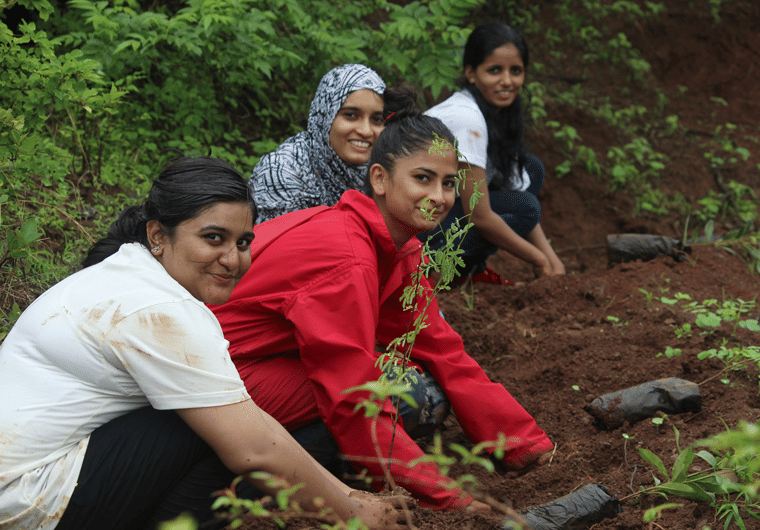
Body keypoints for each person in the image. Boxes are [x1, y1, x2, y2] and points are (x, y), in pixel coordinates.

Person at [0, 156, 409, 530]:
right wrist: (354, 513)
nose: (233, 259)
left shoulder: (127, 272)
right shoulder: (160, 309)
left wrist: (349, 494)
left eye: (243, 242)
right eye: (214, 238)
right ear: (158, 235)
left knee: (223, 412)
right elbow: (254, 451)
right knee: (220, 431)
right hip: (30, 502)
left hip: (27, 481)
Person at [212, 94, 555, 511]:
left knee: (406, 378)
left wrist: (527, 445)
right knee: (390, 390)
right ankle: (278, 490)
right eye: (423, 178)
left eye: (449, 183)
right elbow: (355, 397)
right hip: (219, 372)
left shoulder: (397, 249)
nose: (440, 196)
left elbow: (444, 351)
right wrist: (452, 502)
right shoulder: (347, 255)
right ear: (379, 179)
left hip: (260, 359)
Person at [423, 22, 565, 285]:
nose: (507, 81)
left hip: (444, 210)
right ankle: (435, 273)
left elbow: (515, 189)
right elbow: (478, 215)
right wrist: (539, 260)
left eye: (516, 71)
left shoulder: (498, 115)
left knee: (530, 170)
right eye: (494, 71)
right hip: (416, 226)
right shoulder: (467, 118)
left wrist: (555, 265)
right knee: (525, 209)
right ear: (471, 73)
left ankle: (466, 267)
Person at [249, 63, 387, 223]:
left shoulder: (381, 173)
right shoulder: (283, 173)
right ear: (324, 116)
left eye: (377, 119)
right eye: (350, 115)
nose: (366, 131)